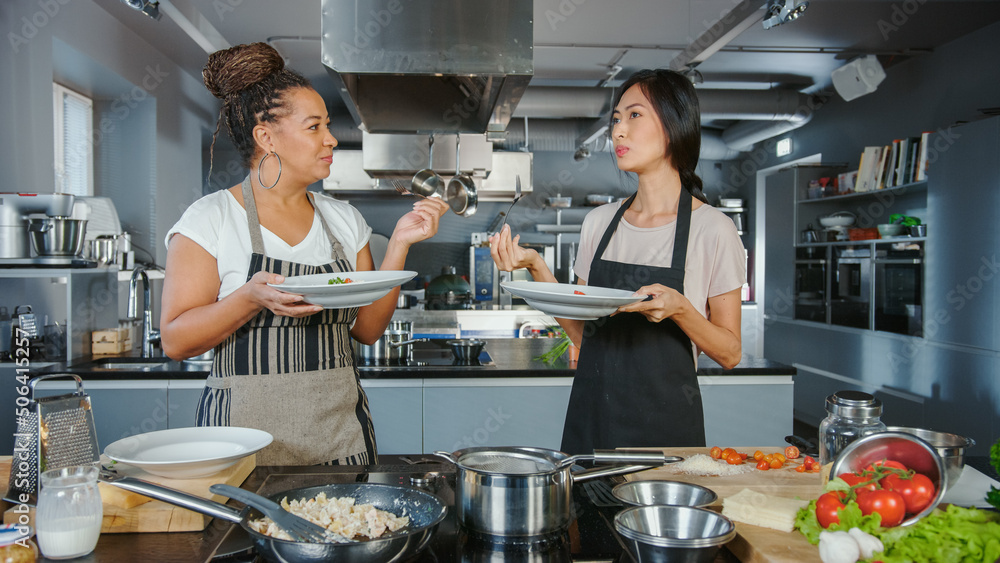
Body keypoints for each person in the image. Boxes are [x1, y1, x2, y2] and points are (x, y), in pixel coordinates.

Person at [160, 43, 449, 466]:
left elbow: (367, 330)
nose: (331, 138)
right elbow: (175, 340)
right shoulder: (211, 218)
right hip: (241, 445)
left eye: (327, 125)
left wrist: (401, 243)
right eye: (314, 127)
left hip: (340, 438)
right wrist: (248, 297)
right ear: (266, 137)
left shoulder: (344, 220)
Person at [490, 69, 745, 453]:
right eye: (616, 119)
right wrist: (536, 268)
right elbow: (585, 339)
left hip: (667, 435)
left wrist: (680, 309)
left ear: (674, 125)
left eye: (634, 116)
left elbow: (730, 353)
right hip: (591, 424)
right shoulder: (599, 223)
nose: (618, 131)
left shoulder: (713, 229)